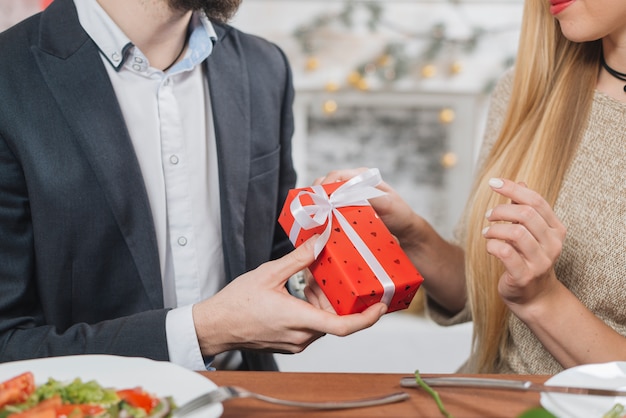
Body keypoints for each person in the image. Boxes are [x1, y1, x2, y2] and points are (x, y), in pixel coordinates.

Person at [0, 0, 387, 371]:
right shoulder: (9, 75)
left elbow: (274, 254)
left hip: (249, 397)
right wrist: (204, 333)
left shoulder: (265, 67)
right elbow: (6, 343)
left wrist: (333, 262)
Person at [319, 0, 626, 374]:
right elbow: (481, 290)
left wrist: (543, 299)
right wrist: (413, 235)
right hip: (485, 396)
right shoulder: (528, 90)